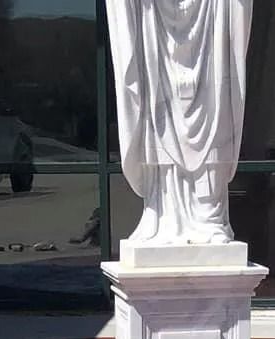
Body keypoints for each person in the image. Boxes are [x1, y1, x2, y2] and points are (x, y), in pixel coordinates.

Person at [105, 0, 252, 244]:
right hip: (156, 28)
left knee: (213, 111)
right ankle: (162, 212)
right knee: (159, 113)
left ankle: (208, 215)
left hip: (210, 21)